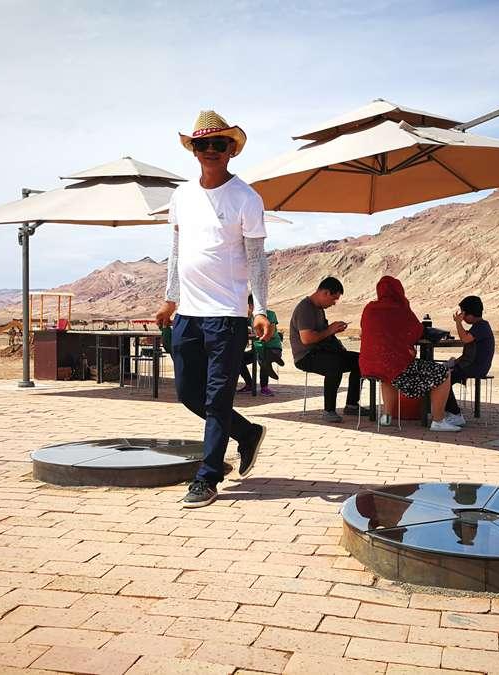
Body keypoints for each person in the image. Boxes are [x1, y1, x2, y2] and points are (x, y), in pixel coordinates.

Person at [155, 110, 272, 509]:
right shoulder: (181, 196)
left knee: (218, 398)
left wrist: (261, 309)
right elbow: (175, 250)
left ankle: (207, 476)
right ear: (193, 150)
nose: (210, 150)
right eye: (202, 144)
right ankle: (248, 434)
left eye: (218, 144)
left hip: (227, 315)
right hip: (188, 312)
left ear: (230, 149)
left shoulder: (246, 198)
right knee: (190, 394)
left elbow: (257, 258)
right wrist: (170, 299)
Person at [359, 276, 460, 432]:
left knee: (387, 376)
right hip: (394, 365)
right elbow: (416, 331)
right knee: (443, 373)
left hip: (369, 365)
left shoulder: (369, 309)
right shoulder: (400, 308)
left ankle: (386, 416)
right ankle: (438, 420)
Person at [289, 276, 365, 422]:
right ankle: (329, 410)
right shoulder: (305, 308)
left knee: (360, 360)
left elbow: (322, 334)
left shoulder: (318, 309)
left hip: (322, 352)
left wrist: (333, 332)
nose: (334, 303)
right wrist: (330, 330)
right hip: (306, 356)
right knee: (334, 365)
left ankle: (352, 405)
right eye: (334, 299)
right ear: (325, 293)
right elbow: (307, 339)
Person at [445, 295, 496, 423]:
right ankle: (448, 411)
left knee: (442, 379)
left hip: (475, 367)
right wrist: (453, 363)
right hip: (470, 364)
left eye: (463, 312)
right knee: (442, 374)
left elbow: (465, 339)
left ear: (469, 313)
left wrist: (458, 323)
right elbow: (469, 353)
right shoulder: (479, 327)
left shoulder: (481, 327)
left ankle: (455, 414)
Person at [238, 293, 283, 396]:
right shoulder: (250, 318)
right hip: (258, 348)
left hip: (272, 347)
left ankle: (264, 387)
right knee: (238, 359)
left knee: (263, 358)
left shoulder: (270, 314)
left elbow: (269, 333)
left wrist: (260, 336)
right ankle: (249, 384)